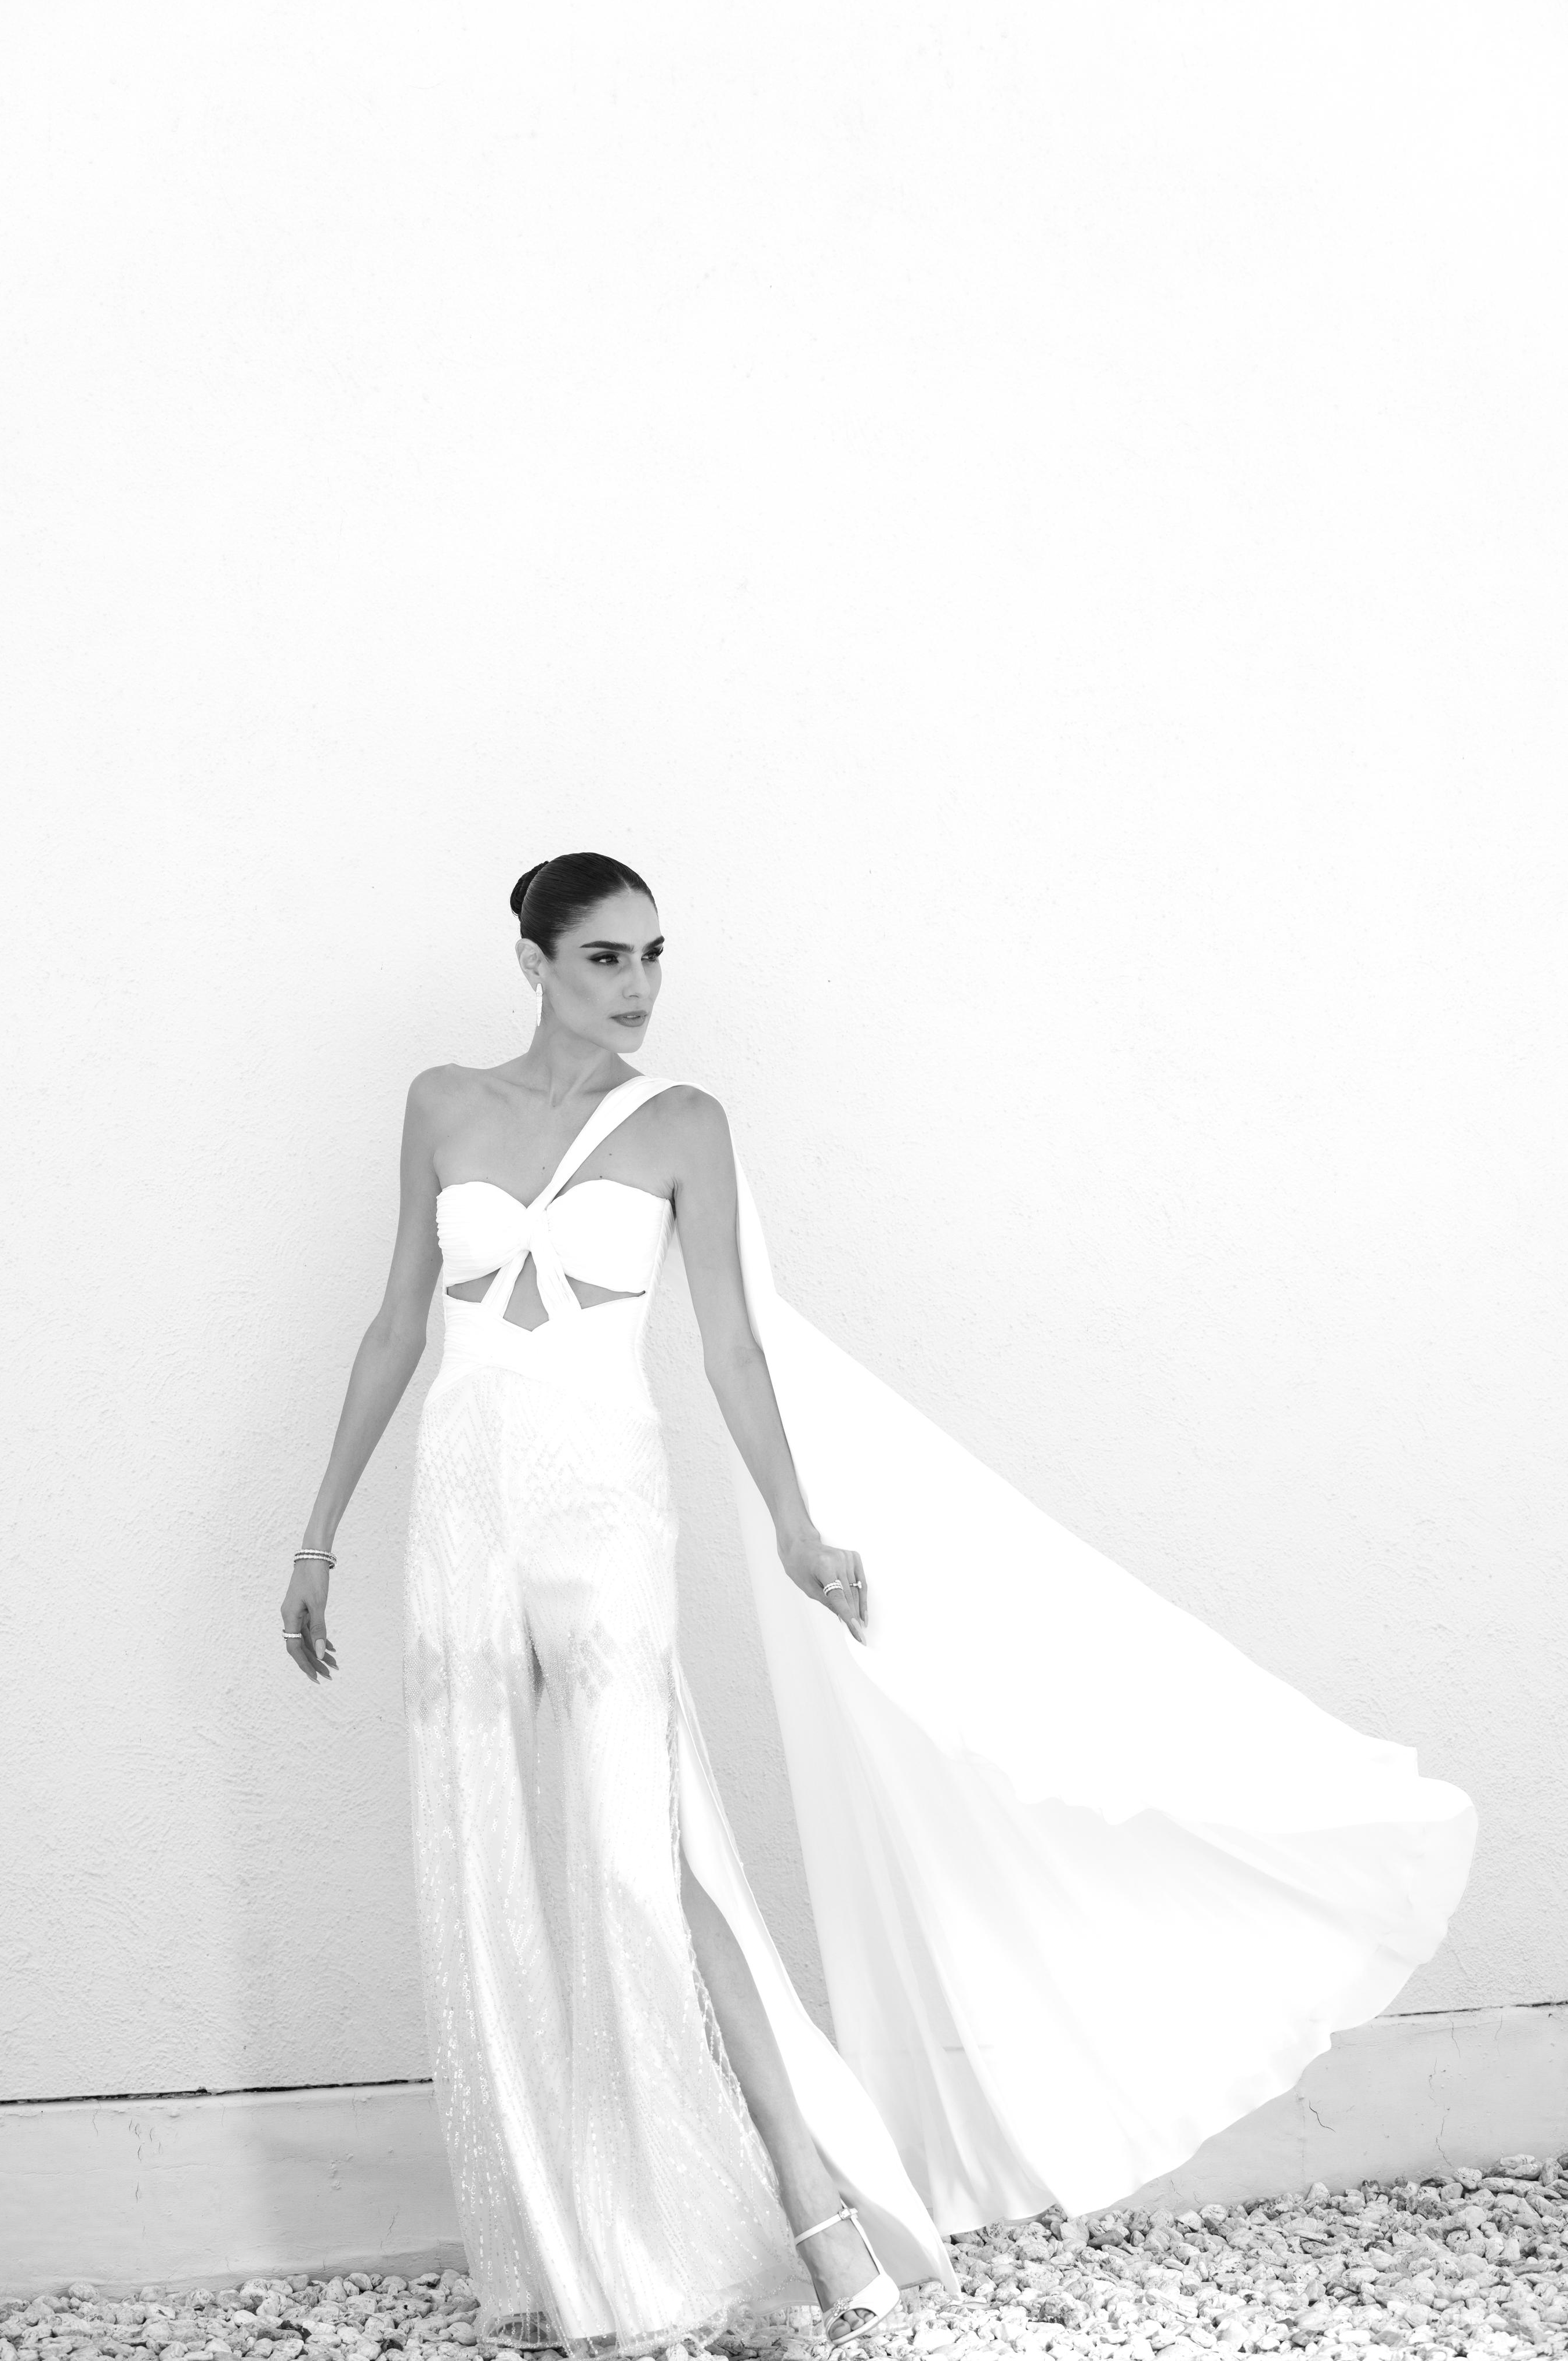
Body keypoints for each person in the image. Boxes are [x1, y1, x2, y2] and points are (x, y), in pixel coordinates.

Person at [282, 850, 1478, 2361]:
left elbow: (732, 1347)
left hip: (599, 1513)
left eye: (654, 954)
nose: (641, 986)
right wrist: (318, 1535)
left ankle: (809, 2206)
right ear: (533, 963)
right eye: (604, 958)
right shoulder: (441, 1104)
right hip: (462, 1511)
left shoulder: (684, 1125)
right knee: (497, 1860)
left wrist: (798, 1523)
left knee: (645, 1860)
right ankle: (572, 2244)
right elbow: (398, 1321)